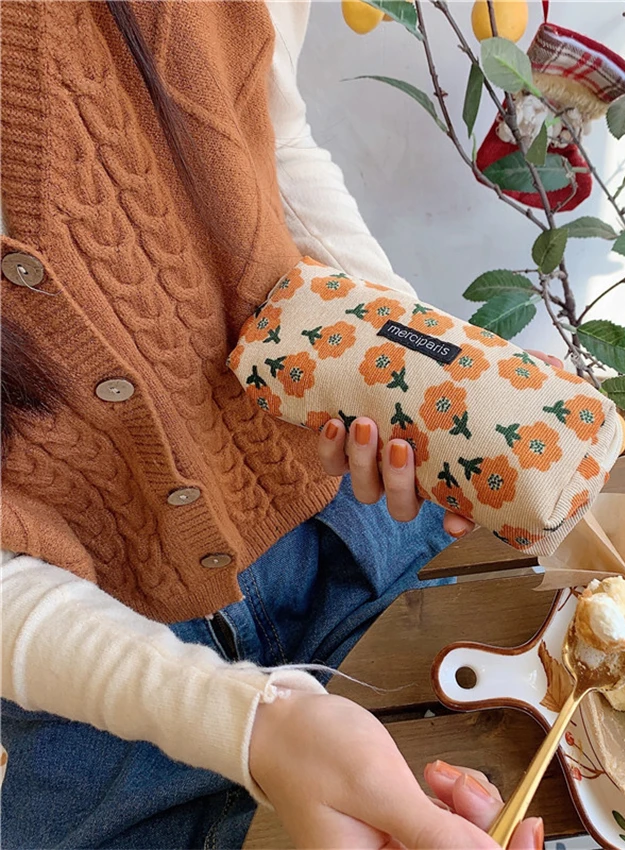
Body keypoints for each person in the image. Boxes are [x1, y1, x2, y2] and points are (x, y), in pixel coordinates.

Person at [0, 2, 553, 847]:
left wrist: (415, 368)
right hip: (81, 661)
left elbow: (268, 136)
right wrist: (260, 726)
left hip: (341, 514)